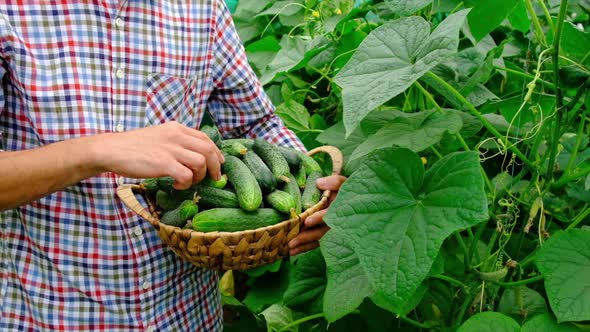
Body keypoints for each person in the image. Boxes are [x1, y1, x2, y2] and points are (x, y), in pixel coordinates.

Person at [0, 1, 344, 330]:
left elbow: (256, 126)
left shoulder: (201, 8)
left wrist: (312, 192)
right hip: (52, 315)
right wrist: (96, 150)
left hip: (186, 315)